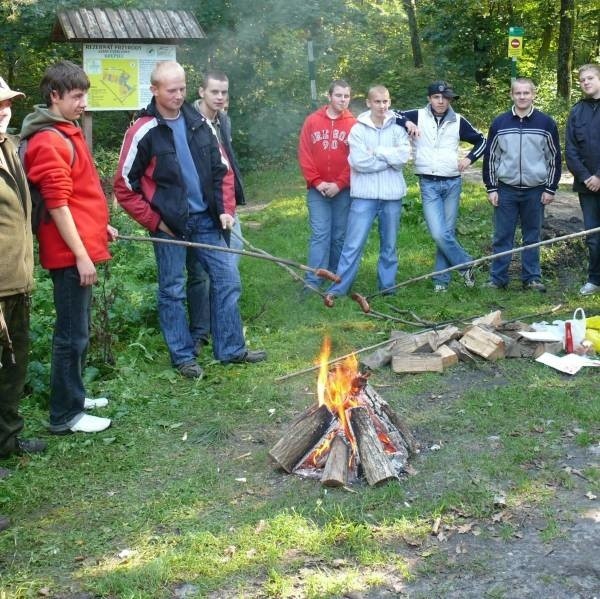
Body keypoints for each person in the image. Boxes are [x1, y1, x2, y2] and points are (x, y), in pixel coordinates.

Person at [114, 61, 266, 378]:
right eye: (171, 90)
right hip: (169, 226)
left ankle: (231, 349)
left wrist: (225, 209)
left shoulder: (199, 123)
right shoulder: (142, 131)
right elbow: (125, 187)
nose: (179, 95)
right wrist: (156, 222)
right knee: (172, 289)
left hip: (208, 221)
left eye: (182, 88)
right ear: (154, 90)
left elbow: (222, 171)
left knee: (227, 279)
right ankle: (183, 357)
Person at [20, 61, 114, 435]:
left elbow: (79, 196)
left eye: (85, 95)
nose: (83, 103)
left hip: (83, 245)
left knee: (79, 330)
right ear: (54, 96)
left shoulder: (65, 130)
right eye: (76, 96)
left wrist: (100, 226)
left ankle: (75, 394)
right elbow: (57, 204)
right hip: (69, 255)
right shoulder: (48, 140)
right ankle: (65, 415)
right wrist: (80, 254)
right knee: (70, 334)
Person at [0, 76, 47, 532]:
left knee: (13, 365)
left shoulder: (12, 147)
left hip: (18, 280)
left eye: (7, 102)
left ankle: (8, 440)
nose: (4, 108)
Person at [324, 85, 410, 305]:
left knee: (389, 245)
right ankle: (340, 287)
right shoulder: (358, 129)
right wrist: (389, 161)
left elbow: (403, 157)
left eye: (386, 102)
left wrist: (378, 153)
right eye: (378, 102)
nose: (382, 106)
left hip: (391, 196)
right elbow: (359, 163)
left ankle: (388, 288)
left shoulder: (398, 127)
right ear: (369, 103)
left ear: (389, 102)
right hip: (364, 196)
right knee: (353, 244)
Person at [397, 81, 486, 292]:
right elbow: (392, 113)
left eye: (445, 98)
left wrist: (470, 159)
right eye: (436, 97)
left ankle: (441, 282)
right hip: (428, 183)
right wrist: (407, 123)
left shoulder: (458, 121)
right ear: (429, 98)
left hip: (452, 182)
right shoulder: (417, 115)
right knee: (439, 233)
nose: (441, 101)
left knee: (446, 233)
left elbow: (483, 141)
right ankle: (466, 265)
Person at [186, 70, 246, 352]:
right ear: (201, 92)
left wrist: (230, 203)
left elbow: (226, 164)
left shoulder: (224, 120)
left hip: (226, 206)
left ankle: (224, 331)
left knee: (228, 269)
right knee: (199, 273)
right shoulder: (189, 123)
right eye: (214, 92)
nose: (220, 97)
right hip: (200, 210)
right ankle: (200, 332)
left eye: (224, 92)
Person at [482, 77, 561, 292]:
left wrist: (550, 188)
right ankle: (498, 279)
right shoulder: (500, 122)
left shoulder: (546, 123)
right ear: (511, 95)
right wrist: (492, 188)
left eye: (526, 92)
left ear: (534, 94)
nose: (522, 96)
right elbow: (491, 157)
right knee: (502, 235)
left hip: (535, 191)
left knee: (532, 236)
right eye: (518, 93)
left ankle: (532, 278)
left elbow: (554, 158)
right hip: (506, 189)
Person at [298, 80, 356, 291]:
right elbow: (305, 154)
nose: (342, 100)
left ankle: (334, 276)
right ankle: (313, 281)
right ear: (329, 96)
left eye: (346, 96)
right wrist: (317, 181)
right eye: (338, 95)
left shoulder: (353, 124)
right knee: (320, 234)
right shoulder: (312, 121)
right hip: (317, 189)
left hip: (343, 190)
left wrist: (340, 184)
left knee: (339, 235)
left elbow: (355, 159)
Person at [565, 64, 600, 296]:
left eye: (590, 78)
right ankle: (595, 279)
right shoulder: (576, 111)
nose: (585, 82)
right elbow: (570, 149)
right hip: (586, 186)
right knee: (593, 236)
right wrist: (588, 177)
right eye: (581, 80)